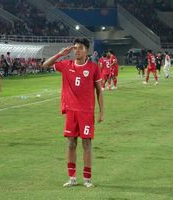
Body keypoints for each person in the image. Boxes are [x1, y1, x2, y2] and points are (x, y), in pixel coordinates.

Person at [42, 38, 103, 188]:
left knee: (87, 144)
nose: (76, 51)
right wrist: (60, 54)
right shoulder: (66, 65)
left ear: (86, 50)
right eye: (75, 48)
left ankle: (87, 179)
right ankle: (72, 178)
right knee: (71, 144)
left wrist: (101, 112)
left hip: (86, 112)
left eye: (80, 48)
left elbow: (99, 91)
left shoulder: (94, 68)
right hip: (71, 111)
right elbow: (45, 65)